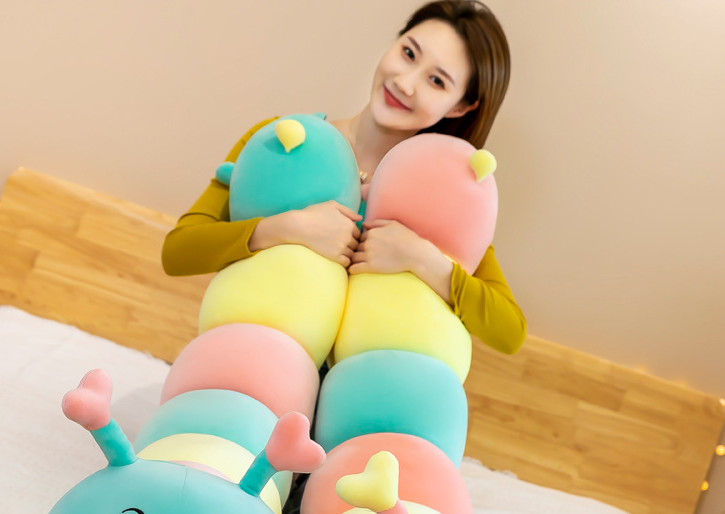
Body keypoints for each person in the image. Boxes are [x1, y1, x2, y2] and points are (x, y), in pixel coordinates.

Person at [162, 0, 525, 355]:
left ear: (460, 107)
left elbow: (510, 331)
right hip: (258, 364)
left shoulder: (442, 199)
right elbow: (178, 252)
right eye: (409, 53)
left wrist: (421, 258)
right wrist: (285, 228)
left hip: (365, 387)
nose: (405, 82)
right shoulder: (283, 141)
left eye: (436, 81)